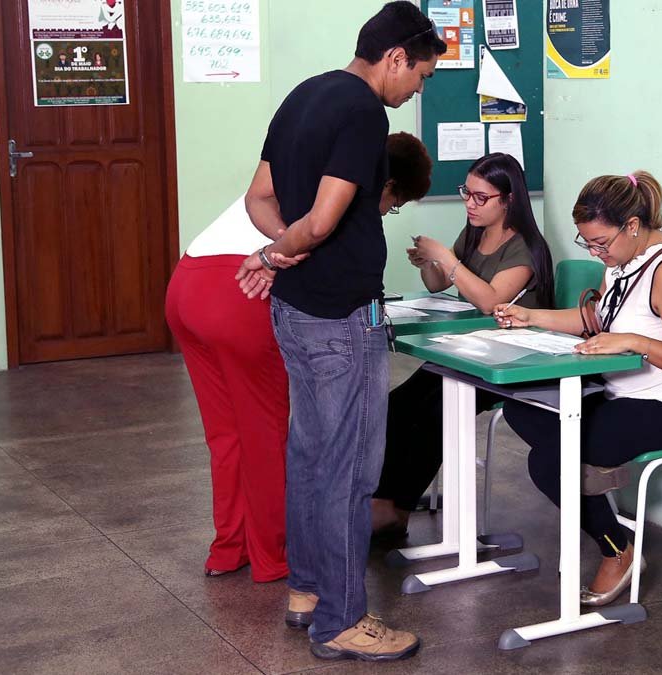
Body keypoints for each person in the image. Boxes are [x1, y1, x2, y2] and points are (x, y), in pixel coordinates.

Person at [233, 3, 445, 662]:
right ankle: (342, 618)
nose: (418, 89)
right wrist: (285, 250)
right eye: (422, 74)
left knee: (309, 456)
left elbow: (258, 198)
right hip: (341, 317)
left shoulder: (304, 94)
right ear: (395, 58)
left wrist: (285, 250)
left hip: (296, 308)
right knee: (349, 472)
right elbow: (322, 220)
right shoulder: (361, 112)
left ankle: (306, 591)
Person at [164, 132, 433, 583]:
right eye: (396, 203)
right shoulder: (344, 195)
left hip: (186, 285)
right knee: (266, 435)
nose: (387, 211)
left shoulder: (310, 170)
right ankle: (272, 558)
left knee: (226, 435)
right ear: (388, 187)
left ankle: (228, 548)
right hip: (238, 291)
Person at [493, 170, 662, 606]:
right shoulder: (625, 260)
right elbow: (598, 322)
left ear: (632, 226)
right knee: (523, 408)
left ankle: (618, 549)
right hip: (622, 396)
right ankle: (591, 469)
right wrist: (532, 317)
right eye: (587, 244)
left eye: (600, 243)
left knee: (550, 461)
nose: (597, 253)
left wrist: (635, 342)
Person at [371, 152, 555, 535]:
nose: (469, 204)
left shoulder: (526, 247)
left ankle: (396, 509)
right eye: (466, 193)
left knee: (437, 412)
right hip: (469, 353)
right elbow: (439, 284)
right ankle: (383, 499)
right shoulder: (474, 232)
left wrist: (444, 257)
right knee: (400, 405)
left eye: (480, 197)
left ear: (508, 199)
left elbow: (491, 301)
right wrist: (427, 263)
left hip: (510, 362)